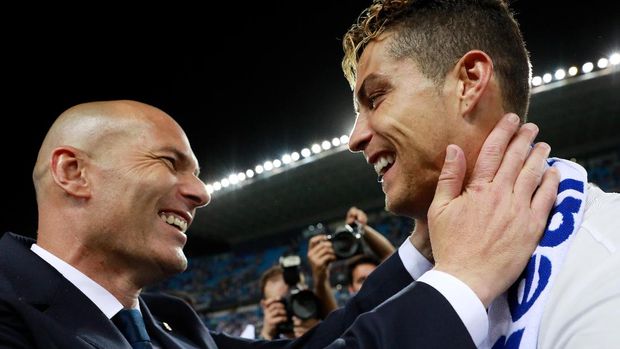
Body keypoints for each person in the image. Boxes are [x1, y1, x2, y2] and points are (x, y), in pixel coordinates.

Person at [0, 99, 557, 348]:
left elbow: (319, 345)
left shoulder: (173, 325)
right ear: (73, 172)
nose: (201, 193)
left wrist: (424, 248)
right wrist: (461, 284)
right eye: (170, 164)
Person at [343, 0, 619, 347]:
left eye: (376, 97)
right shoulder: (443, 277)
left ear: (469, 81)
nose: (354, 139)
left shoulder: (605, 263)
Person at [307, 206, 391, 315]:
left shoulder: (397, 305)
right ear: (351, 289)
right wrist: (320, 279)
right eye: (361, 280)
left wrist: (362, 227)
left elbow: (391, 257)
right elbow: (331, 317)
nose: (369, 283)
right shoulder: (352, 325)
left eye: (374, 276)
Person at [258, 265, 320, 340]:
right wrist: (266, 336)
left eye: (296, 299)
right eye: (283, 303)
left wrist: (318, 335)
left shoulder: (327, 326)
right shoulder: (251, 338)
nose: (291, 307)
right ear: (265, 306)